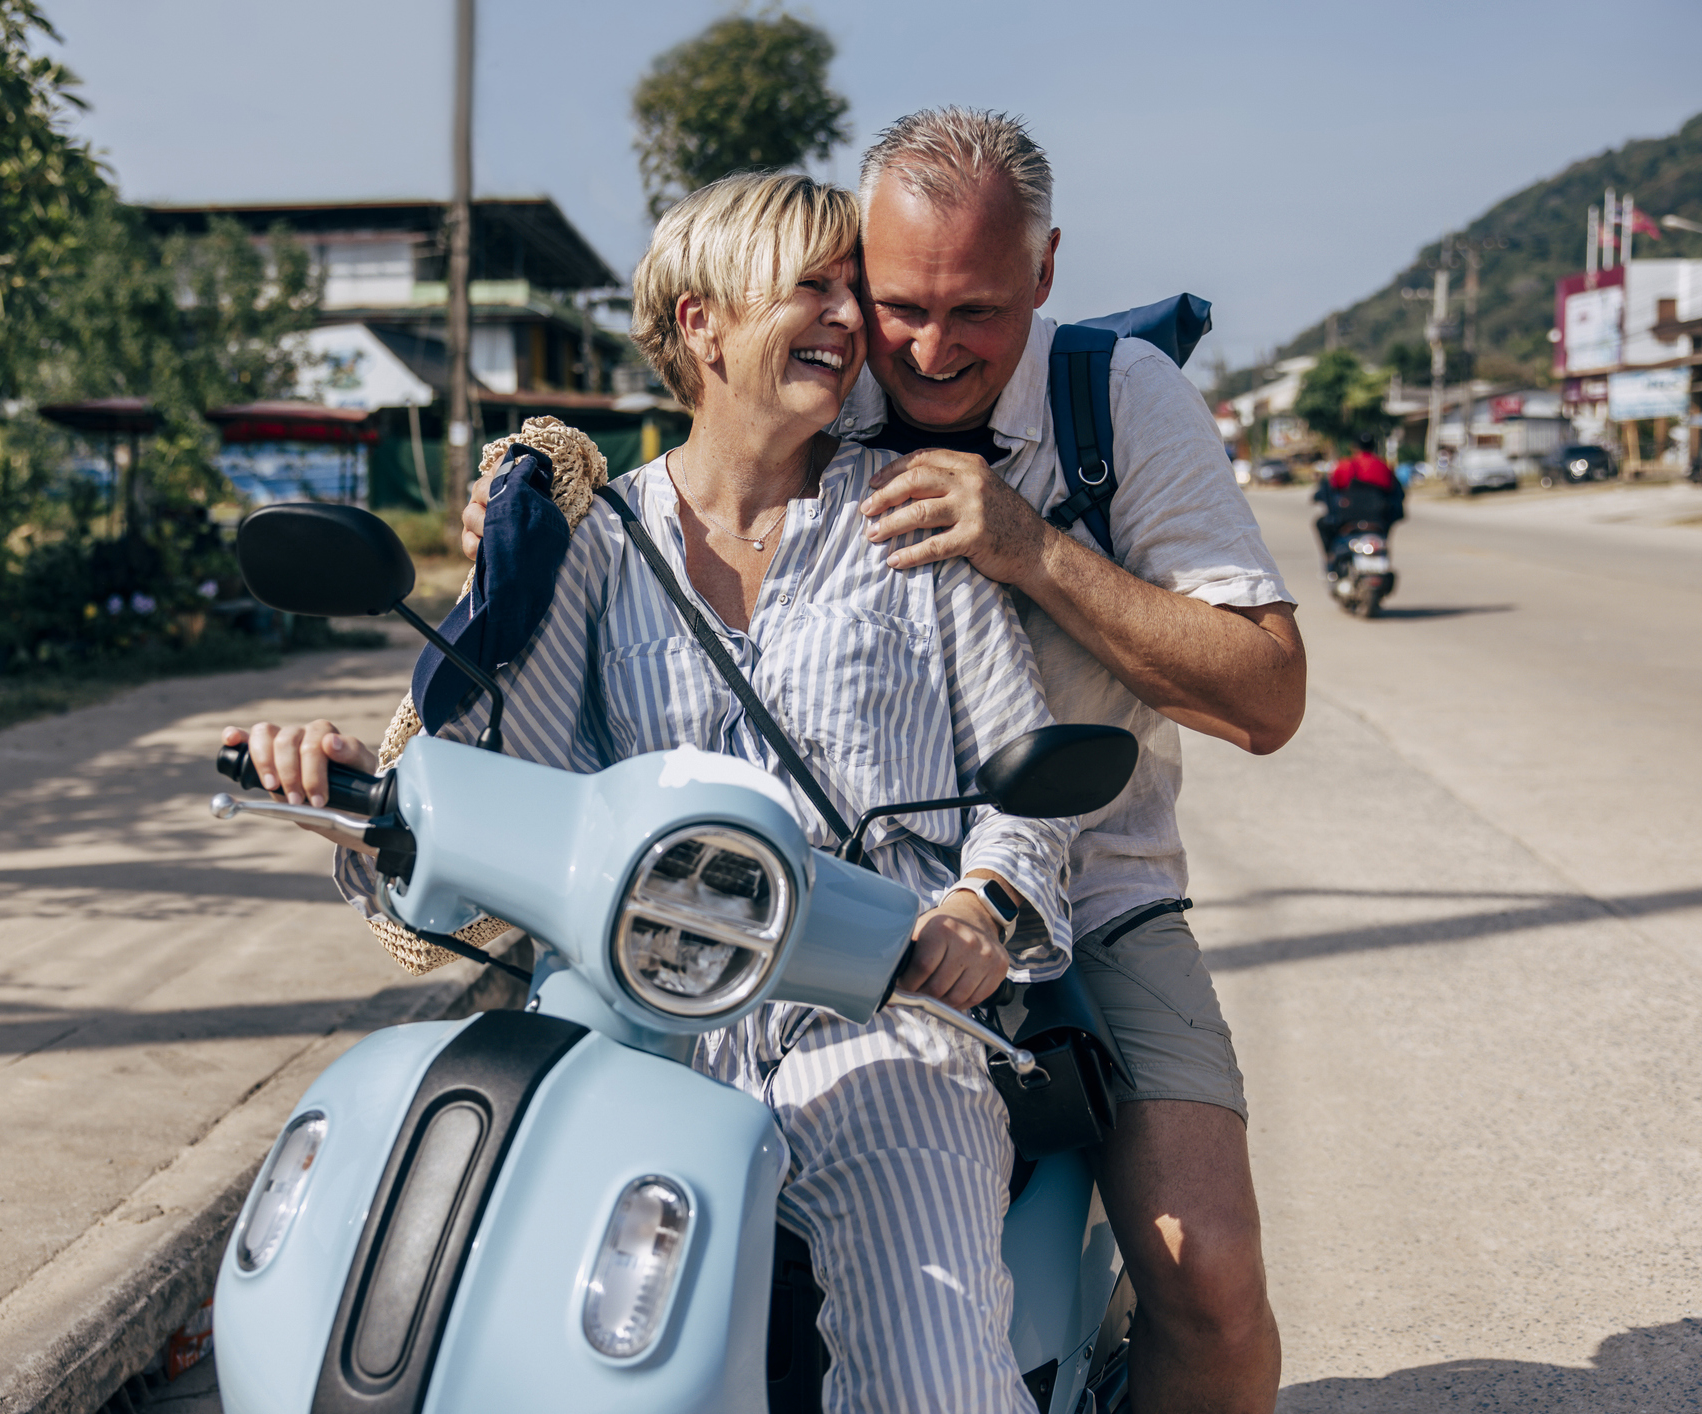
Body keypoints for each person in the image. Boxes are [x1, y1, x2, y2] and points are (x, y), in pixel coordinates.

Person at [465, 107, 1304, 1414]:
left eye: (975, 310)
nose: (915, 346)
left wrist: (1029, 547)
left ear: (1044, 269)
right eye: (885, 299)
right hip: (727, 946)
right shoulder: (810, 389)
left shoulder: (1111, 403)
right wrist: (529, 510)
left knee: (1206, 1273)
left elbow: (1266, 697)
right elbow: (687, 484)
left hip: (1086, 885)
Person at [233, 172, 1074, 1413]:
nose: (849, 317)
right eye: (811, 286)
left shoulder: (911, 520)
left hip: (875, 1023)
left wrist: (979, 909)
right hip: (633, 1026)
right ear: (701, 324)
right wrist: (364, 781)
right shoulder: (598, 540)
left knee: (930, 1378)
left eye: (852, 287)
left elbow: (1028, 787)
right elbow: (514, 782)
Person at [1316, 434, 1404, 565]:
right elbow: (1396, 493)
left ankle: (1331, 558)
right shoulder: (1384, 467)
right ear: (1374, 447)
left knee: (1322, 523)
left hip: (1349, 518)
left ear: (1354, 447)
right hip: (1379, 518)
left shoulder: (1345, 465)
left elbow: (1331, 490)